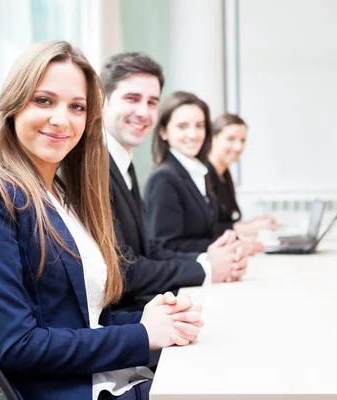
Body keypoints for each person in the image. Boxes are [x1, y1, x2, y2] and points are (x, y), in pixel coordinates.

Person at [0, 41, 202, 400]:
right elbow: (19, 346)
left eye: (76, 106)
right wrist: (143, 335)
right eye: (44, 100)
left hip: (107, 377)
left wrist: (154, 320)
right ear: (13, 104)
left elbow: (89, 319)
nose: (61, 119)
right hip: (73, 390)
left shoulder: (64, 196)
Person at [100, 53, 248, 313]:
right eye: (132, 98)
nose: (143, 112)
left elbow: (148, 251)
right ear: (103, 101)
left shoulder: (126, 166)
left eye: (152, 102)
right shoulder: (99, 170)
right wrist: (206, 267)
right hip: (127, 319)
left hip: (145, 308)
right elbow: (124, 270)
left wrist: (208, 258)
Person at [144, 91, 223, 253]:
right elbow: (164, 246)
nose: (193, 135)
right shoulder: (163, 179)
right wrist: (218, 246)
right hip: (187, 274)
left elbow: (203, 233)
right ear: (163, 131)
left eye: (199, 126)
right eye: (182, 126)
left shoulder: (198, 172)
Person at [207, 113, 279, 239]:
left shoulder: (224, 174)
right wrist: (250, 227)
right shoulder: (203, 175)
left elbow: (226, 221)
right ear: (213, 138)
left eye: (242, 140)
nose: (239, 147)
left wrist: (254, 223)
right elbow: (209, 227)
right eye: (231, 139)